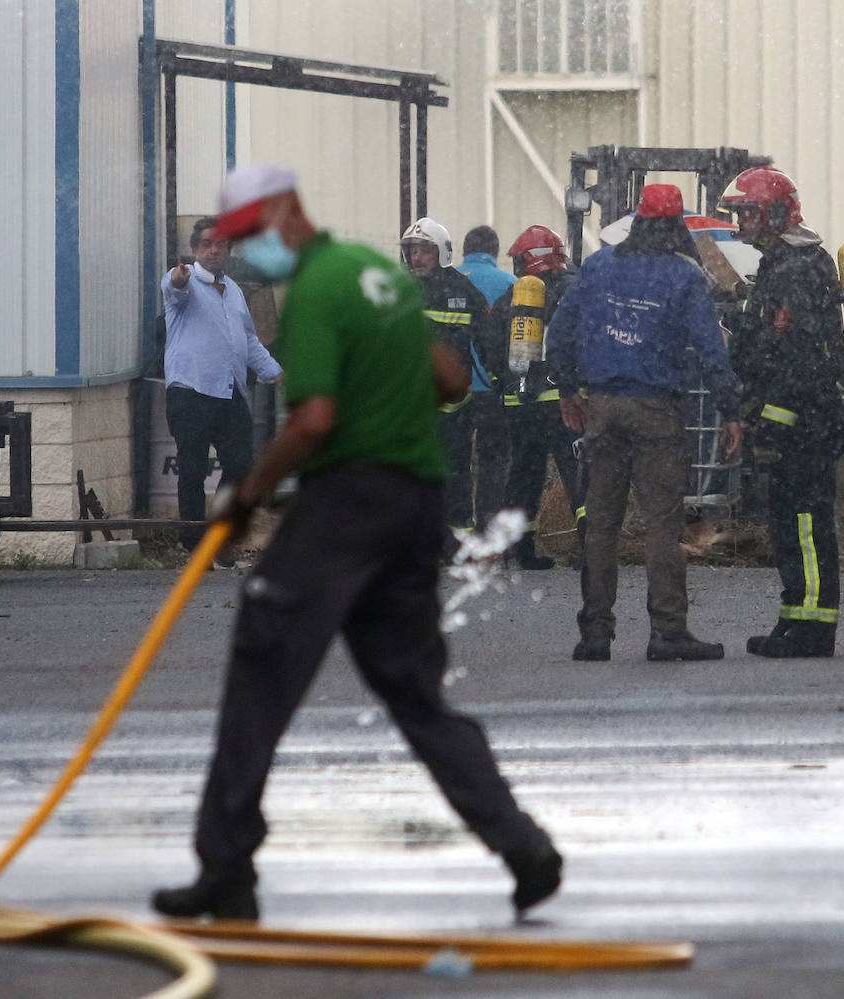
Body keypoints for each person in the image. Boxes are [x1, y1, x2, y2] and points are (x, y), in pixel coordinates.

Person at [151, 164, 563, 923]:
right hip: (415, 505)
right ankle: (523, 845)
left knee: (260, 663)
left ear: (276, 217)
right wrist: (388, 390)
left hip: (348, 503)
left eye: (246, 235)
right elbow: (446, 377)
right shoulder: (375, 273)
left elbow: (311, 422)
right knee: (414, 693)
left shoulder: (316, 292)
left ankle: (227, 868)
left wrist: (244, 499)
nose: (244, 252)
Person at [546, 184, 742, 663]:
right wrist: (731, 410)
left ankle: (595, 634)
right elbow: (711, 350)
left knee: (601, 525)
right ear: (675, 226)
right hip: (656, 409)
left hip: (604, 408)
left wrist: (569, 390)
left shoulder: (597, 265)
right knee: (661, 524)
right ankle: (668, 632)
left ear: (636, 222)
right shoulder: (684, 275)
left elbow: (560, 331)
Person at [717, 167, 844, 657]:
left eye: (748, 212)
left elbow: (798, 356)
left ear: (775, 214)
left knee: (809, 525)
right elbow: (766, 344)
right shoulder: (778, 265)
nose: (742, 222)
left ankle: (815, 629)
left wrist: (774, 419)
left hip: (807, 420)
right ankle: (794, 618)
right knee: (787, 521)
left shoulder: (798, 268)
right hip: (792, 416)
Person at [161, 217, 282, 558]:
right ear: (196, 249)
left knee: (242, 465)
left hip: (229, 391)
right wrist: (178, 277)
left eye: (220, 245)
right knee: (193, 468)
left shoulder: (233, 291)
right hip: (191, 390)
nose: (214, 250)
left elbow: (248, 340)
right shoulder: (184, 284)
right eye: (206, 245)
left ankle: (219, 536)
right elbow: (174, 287)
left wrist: (276, 372)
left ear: (228, 250)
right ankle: (192, 544)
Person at [490, 225, 586, 568]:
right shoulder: (573, 292)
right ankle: (590, 548)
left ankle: (518, 550)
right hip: (561, 399)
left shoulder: (512, 299)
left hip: (519, 403)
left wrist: (504, 382)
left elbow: (489, 346)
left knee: (524, 475)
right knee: (576, 469)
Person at [400, 217, 500, 539]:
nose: (416, 258)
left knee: (457, 471)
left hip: (453, 404)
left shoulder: (462, 289)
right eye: (412, 251)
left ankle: (459, 540)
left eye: (424, 251)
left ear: (441, 252)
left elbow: (486, 340)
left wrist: (498, 377)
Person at [456, 225, 517, 540]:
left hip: (453, 391)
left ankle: (457, 525)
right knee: (493, 460)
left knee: (456, 459)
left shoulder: (448, 282)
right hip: (493, 389)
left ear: (463, 250)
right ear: (495, 252)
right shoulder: (511, 284)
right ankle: (488, 528)